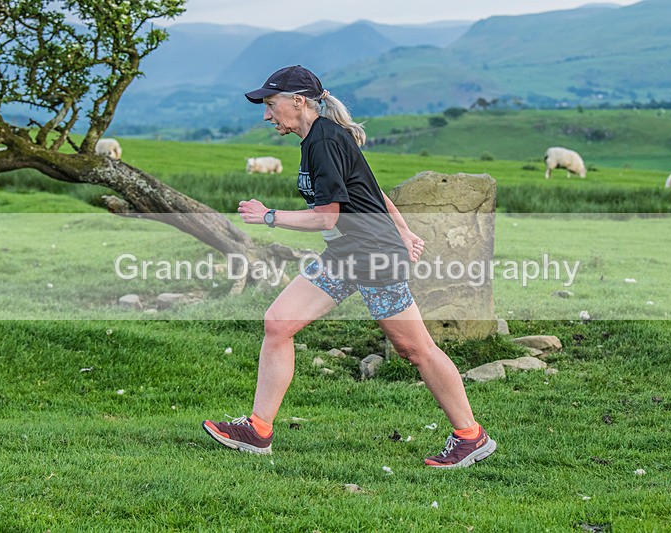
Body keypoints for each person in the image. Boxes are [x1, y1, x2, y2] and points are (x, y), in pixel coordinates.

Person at [202, 65, 496, 468]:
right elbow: (372, 191)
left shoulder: (324, 140)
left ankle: (470, 435)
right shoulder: (320, 138)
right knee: (279, 323)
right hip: (345, 255)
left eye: (271, 105)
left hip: (373, 256)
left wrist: (268, 215)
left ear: (298, 102)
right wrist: (405, 230)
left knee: (415, 348)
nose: (267, 115)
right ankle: (258, 428)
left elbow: (326, 217)